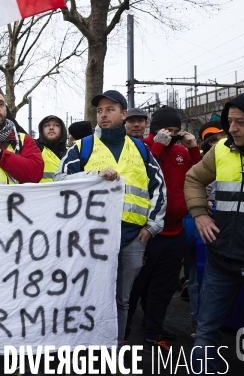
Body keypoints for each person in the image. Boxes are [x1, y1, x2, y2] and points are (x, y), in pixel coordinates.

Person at [54, 90, 166, 350]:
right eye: (99, 111)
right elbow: (59, 182)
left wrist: (151, 227)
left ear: (124, 115)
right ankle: (83, 349)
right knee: (87, 296)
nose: (103, 115)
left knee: (121, 301)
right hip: (92, 239)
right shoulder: (82, 147)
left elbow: (158, 189)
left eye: (110, 110)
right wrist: (93, 174)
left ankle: (112, 350)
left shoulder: (141, 149)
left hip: (132, 239)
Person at [185, 91, 244, 375]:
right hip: (222, 262)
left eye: (240, 122)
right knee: (206, 332)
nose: (232, 129)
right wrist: (200, 214)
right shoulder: (220, 150)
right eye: (230, 121)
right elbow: (193, 178)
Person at [125, 105, 201, 351]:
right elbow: (142, 174)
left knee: (164, 287)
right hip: (147, 231)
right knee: (136, 287)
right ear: (156, 129)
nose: (170, 134)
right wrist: (157, 145)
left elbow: (198, 175)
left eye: (174, 130)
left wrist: (193, 148)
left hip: (175, 230)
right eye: (166, 129)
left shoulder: (180, 150)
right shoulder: (142, 147)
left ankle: (153, 331)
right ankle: (123, 332)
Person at [35, 115, 67, 182]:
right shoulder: (35, 147)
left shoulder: (71, 151)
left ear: (62, 130)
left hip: (66, 192)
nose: (51, 128)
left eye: (56, 125)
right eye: (47, 125)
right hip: (42, 191)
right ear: (41, 130)